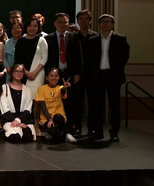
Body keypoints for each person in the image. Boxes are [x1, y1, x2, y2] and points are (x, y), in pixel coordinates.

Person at [86, 14, 130, 142]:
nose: (106, 24)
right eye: (103, 22)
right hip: (98, 76)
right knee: (97, 106)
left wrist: (115, 69)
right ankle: (98, 131)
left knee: (114, 106)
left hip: (113, 76)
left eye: (108, 22)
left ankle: (114, 132)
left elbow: (125, 56)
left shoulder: (120, 39)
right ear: (99, 25)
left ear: (113, 24)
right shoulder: (92, 40)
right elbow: (89, 60)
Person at [44, 13, 82, 136]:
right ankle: (58, 127)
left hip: (70, 74)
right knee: (56, 102)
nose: (62, 24)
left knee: (72, 102)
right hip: (55, 75)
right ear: (54, 23)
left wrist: (78, 72)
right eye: (59, 22)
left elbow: (78, 56)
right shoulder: (48, 38)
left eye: (65, 22)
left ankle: (73, 127)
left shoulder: (74, 37)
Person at [35, 68, 77, 143]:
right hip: (46, 119)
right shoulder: (41, 89)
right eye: (51, 76)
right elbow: (43, 107)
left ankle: (67, 134)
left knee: (57, 116)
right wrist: (50, 119)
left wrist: (64, 88)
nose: (54, 78)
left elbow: (62, 91)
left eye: (56, 76)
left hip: (59, 118)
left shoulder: (60, 88)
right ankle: (60, 133)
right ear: (46, 77)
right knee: (55, 133)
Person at [0, 64, 35, 142]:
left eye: (21, 71)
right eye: (16, 71)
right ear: (12, 73)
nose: (19, 73)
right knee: (15, 137)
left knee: (27, 137)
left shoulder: (27, 90)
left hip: (24, 119)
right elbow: (3, 107)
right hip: (9, 119)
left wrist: (18, 121)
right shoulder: (4, 88)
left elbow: (28, 108)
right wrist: (15, 121)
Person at [14, 17, 48, 98]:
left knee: (37, 98)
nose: (32, 28)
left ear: (38, 28)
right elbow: (18, 58)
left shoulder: (42, 40)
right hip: (22, 73)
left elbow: (44, 57)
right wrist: (26, 72)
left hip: (38, 73)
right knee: (24, 98)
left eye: (35, 26)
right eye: (30, 26)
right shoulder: (20, 41)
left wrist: (35, 72)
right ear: (26, 27)